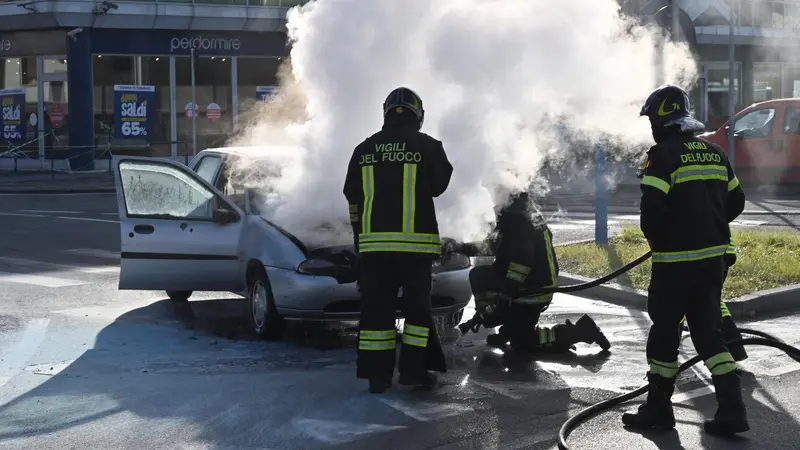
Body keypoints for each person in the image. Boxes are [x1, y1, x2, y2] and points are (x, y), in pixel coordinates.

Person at [622, 84, 749, 435]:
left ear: (661, 121)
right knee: (709, 336)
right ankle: (732, 410)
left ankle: (659, 410)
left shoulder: (660, 156)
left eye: (651, 120)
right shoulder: (714, 152)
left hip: (675, 265)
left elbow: (651, 214)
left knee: (664, 335)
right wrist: (708, 225)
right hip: (713, 264)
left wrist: (668, 239)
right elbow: (737, 201)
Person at [343, 86, 454, 394]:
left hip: (373, 250)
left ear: (386, 113)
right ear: (419, 116)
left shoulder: (363, 150)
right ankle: (414, 373)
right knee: (418, 314)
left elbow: (352, 197)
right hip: (415, 251)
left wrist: (359, 237)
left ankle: (377, 378)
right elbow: (438, 186)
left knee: (376, 313)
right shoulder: (428, 146)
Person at [464, 190, 611, 353]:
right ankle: (508, 326)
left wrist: (505, 298)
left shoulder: (518, 218)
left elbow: (522, 263)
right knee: (480, 275)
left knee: (522, 343)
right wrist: (459, 248)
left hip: (533, 291)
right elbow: (493, 246)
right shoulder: (520, 211)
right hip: (533, 284)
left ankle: (578, 331)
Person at [637, 160, 747, 362]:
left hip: (704, 254)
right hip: (718, 251)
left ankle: (668, 357)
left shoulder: (670, 187)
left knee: (682, 303)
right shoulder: (689, 186)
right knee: (709, 300)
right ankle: (734, 348)